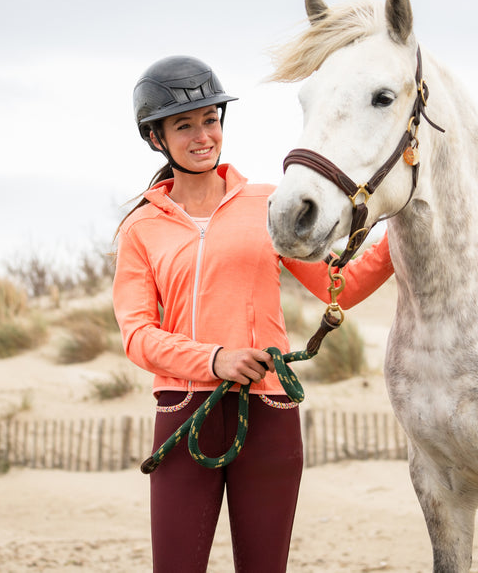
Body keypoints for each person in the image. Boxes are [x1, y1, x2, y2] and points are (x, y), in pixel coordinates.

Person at [112, 55, 394, 572]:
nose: (203, 136)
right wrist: (214, 360)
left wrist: (400, 236)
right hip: (184, 411)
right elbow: (137, 336)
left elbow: (343, 286)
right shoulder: (140, 229)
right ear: (155, 138)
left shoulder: (269, 204)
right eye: (184, 125)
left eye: (210, 120)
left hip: (268, 414)